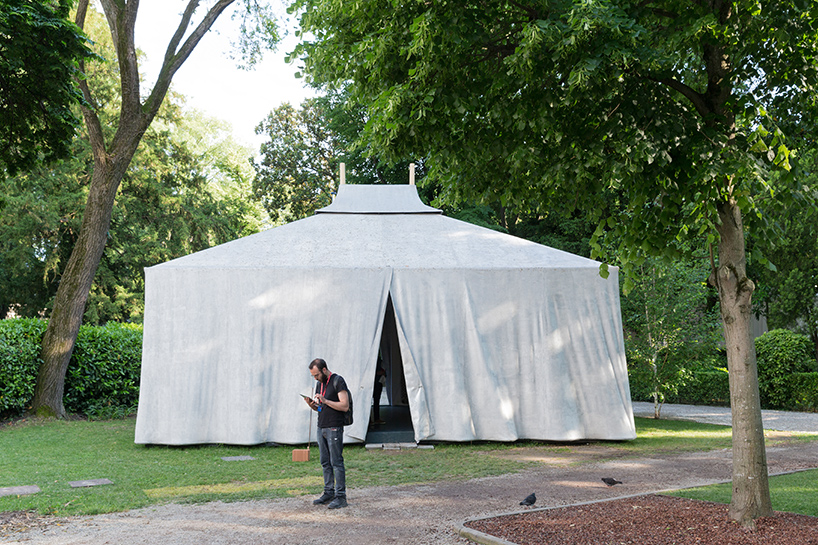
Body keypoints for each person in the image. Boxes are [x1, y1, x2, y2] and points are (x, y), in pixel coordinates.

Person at [304, 358, 349, 509]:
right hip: (321, 426)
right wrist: (313, 406)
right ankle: (328, 492)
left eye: (316, 375)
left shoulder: (337, 381)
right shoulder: (319, 384)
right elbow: (322, 408)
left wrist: (325, 400)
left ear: (324, 370)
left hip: (334, 427)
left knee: (336, 461)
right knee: (325, 461)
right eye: (313, 376)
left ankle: (341, 496)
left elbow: (344, 405)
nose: (315, 378)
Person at [372, 358, 386, 425]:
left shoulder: (379, 361)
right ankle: (374, 419)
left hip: (377, 383)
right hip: (375, 382)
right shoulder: (378, 361)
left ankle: (375, 418)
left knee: (376, 401)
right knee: (375, 401)